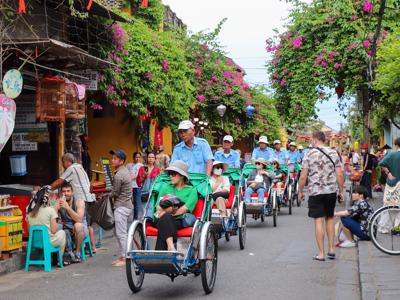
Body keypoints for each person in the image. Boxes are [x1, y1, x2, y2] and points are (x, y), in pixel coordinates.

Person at [299, 131, 344, 261]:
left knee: (318, 220)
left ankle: (321, 253)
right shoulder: (334, 153)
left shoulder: (309, 154)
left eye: (311, 139)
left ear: (314, 139)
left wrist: (300, 191)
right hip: (330, 191)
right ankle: (331, 249)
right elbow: (340, 175)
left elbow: (303, 176)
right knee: (330, 218)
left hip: (315, 191)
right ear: (324, 140)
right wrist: (341, 191)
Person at [50, 153, 96, 253]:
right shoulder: (80, 167)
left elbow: (59, 182)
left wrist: (48, 188)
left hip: (82, 199)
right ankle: (91, 247)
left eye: (63, 162)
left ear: (67, 161)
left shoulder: (71, 169)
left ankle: (86, 248)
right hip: (89, 198)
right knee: (87, 224)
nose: (63, 164)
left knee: (80, 224)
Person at [152, 161, 198, 251]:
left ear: (181, 175)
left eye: (173, 174)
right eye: (169, 174)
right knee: (166, 218)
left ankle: (161, 255)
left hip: (179, 220)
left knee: (166, 218)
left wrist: (165, 211)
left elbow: (184, 209)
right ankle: (170, 246)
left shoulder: (192, 190)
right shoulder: (166, 187)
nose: (170, 176)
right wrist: (167, 212)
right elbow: (157, 206)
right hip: (161, 219)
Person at [26, 187, 66, 265]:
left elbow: (29, 232)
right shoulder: (50, 210)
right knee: (62, 233)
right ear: (47, 199)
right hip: (48, 242)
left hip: (35, 243)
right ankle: (59, 260)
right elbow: (54, 231)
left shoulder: (30, 213)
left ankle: (47, 259)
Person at [109, 149, 133, 267]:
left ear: (121, 161)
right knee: (118, 232)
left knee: (121, 233)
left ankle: (125, 258)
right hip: (125, 205)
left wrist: (103, 195)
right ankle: (123, 255)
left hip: (121, 206)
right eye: (112, 158)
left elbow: (115, 192)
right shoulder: (124, 171)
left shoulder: (119, 175)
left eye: (115, 159)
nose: (112, 160)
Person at [58, 183, 89, 263]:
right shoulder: (59, 202)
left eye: (68, 191)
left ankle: (77, 253)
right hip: (67, 229)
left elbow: (79, 219)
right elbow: (55, 220)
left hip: (81, 230)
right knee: (60, 229)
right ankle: (67, 255)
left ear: (72, 192)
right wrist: (56, 207)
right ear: (61, 193)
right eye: (64, 191)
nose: (66, 193)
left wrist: (67, 208)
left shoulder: (79, 202)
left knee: (77, 225)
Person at [377, 137, 400, 232]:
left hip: (392, 183)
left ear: (396, 144)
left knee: (387, 206)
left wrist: (389, 174)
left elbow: (381, 163)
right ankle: (396, 227)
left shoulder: (392, 154)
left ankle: (384, 228)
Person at [126, 152, 144, 220]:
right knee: (128, 201)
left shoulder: (141, 165)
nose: (137, 158)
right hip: (129, 186)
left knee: (136, 202)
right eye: (136, 157)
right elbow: (126, 174)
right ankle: (127, 216)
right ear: (133, 157)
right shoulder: (129, 165)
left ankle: (135, 218)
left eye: (139, 157)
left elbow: (140, 176)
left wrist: (134, 177)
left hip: (137, 186)